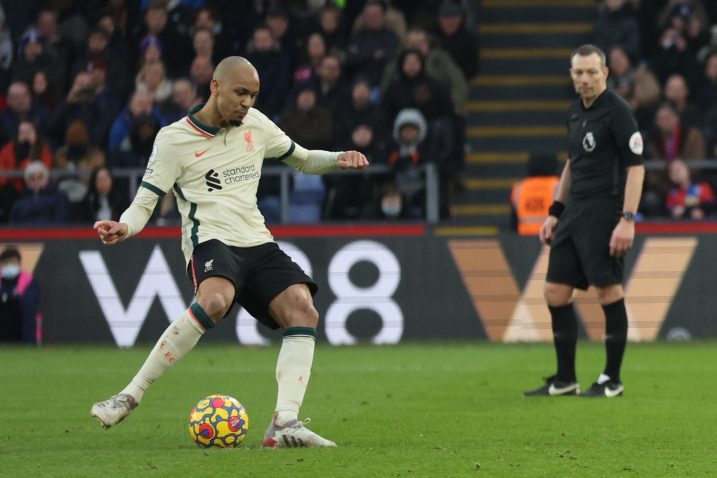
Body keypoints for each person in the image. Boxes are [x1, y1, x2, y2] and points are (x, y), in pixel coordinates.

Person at [89, 56, 369, 448]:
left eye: (253, 95)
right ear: (215, 87)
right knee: (216, 299)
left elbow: (303, 159)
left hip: (257, 240)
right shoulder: (173, 139)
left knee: (303, 309)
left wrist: (337, 159)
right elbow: (146, 200)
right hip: (211, 240)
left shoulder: (256, 125)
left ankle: (285, 423)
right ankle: (130, 394)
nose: (247, 103)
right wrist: (125, 225)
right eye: (240, 93)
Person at [523, 45, 645, 398]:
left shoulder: (619, 113)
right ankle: (565, 379)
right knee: (555, 292)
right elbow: (572, 164)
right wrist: (554, 212)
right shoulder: (575, 112)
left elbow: (635, 169)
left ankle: (612, 378)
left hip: (606, 211)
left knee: (608, 291)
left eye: (592, 72)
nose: (585, 79)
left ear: (605, 73)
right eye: (579, 73)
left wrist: (627, 220)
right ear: (571, 75)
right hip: (575, 212)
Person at [510, 153, 560, 236]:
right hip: (551, 240)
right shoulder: (559, 185)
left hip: (525, 242)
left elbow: (513, 224)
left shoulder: (519, 188)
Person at [0, 246, 39, 343]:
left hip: (20, 327)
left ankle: (28, 344)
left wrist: (8, 298)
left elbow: (29, 302)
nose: (9, 266)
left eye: (13, 262)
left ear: (19, 263)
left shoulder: (28, 280)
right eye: (6, 263)